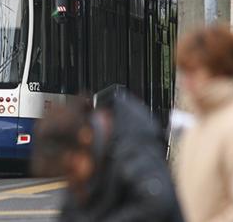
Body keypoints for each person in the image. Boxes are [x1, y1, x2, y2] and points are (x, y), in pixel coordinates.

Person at [34, 93, 183, 222]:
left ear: (85, 139)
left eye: (70, 170)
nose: (71, 180)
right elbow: (70, 214)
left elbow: (157, 201)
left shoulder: (132, 146)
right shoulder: (86, 163)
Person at [175, 25, 233, 222]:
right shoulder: (198, 126)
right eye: (184, 72)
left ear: (220, 71)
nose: (185, 82)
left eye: (194, 72)